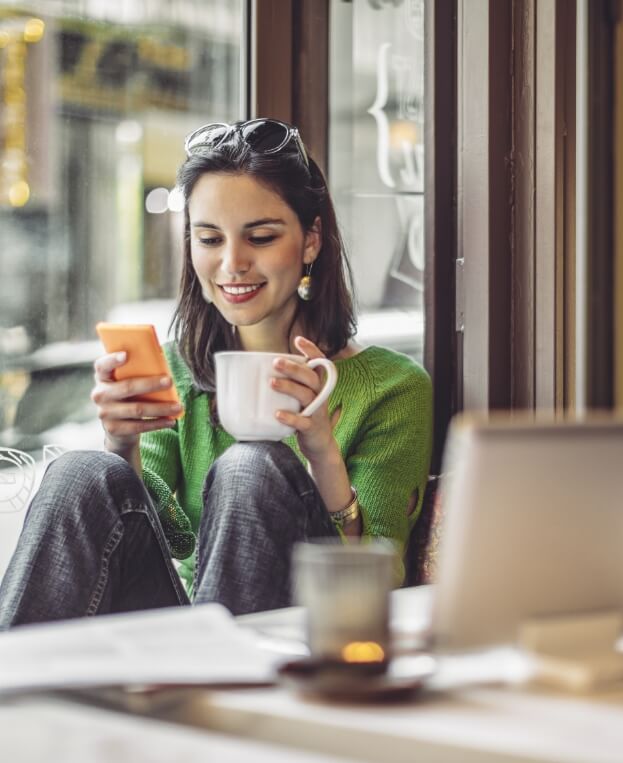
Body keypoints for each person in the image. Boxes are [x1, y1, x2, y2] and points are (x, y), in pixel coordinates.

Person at [0, 118, 432, 627]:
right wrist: (122, 445)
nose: (232, 264)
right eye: (209, 239)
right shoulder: (174, 369)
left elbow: (374, 585)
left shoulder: (391, 388)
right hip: (178, 635)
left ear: (311, 240)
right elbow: (168, 538)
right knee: (81, 470)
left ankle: (221, 689)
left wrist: (322, 454)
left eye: (262, 237)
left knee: (251, 465)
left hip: (292, 637)